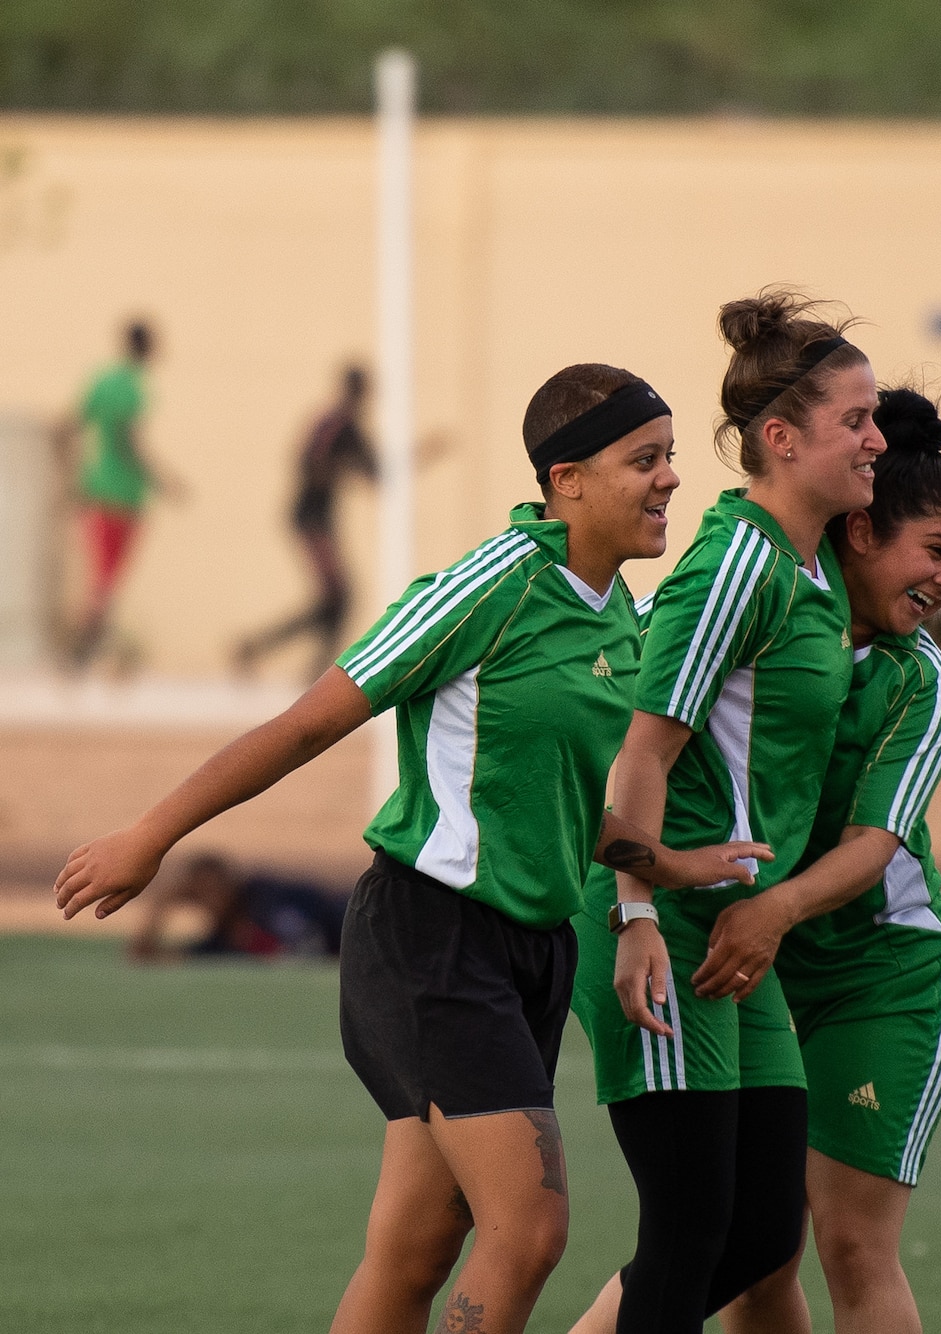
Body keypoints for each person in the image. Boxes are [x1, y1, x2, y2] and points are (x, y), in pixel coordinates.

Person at [55, 361, 774, 1334]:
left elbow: (546, 798)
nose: (669, 480)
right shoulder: (492, 585)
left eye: (670, 458)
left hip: (533, 951)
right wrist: (151, 833)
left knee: (413, 1251)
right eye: (643, 459)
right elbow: (309, 722)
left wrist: (657, 865)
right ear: (565, 476)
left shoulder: (619, 613)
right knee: (528, 1228)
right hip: (431, 938)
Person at [568, 295, 941, 1334]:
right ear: (784, 439)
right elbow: (642, 745)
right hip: (681, 922)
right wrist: (636, 911)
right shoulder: (747, 562)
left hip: (801, 948)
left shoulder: (821, 587)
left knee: (761, 1238)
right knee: (704, 1231)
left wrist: (930, 608)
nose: (875, 435)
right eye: (856, 419)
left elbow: (868, 826)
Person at [702, 386, 941, 1334]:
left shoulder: (919, 683)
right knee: (753, 1250)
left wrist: (772, 911)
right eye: (935, 553)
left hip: (879, 977)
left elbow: (872, 847)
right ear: (858, 533)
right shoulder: (778, 620)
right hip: (766, 970)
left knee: (853, 1244)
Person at [236, 364, 379, 676]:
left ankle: (261, 648)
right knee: (338, 599)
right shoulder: (333, 424)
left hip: (320, 519)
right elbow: (310, 466)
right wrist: (344, 466)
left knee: (334, 601)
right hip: (311, 517)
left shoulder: (349, 429)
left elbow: (376, 473)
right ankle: (317, 673)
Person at [55, 318, 180, 668]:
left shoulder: (102, 381)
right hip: (123, 496)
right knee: (106, 581)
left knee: (104, 580)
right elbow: (130, 442)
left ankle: (88, 650)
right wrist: (164, 480)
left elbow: (68, 427)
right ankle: (81, 651)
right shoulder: (133, 389)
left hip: (97, 490)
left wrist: (72, 480)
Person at [125, 852, 349, 960]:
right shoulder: (222, 939)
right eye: (200, 894)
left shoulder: (267, 897)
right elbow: (144, 955)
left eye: (213, 889)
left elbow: (316, 933)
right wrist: (163, 903)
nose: (211, 900)